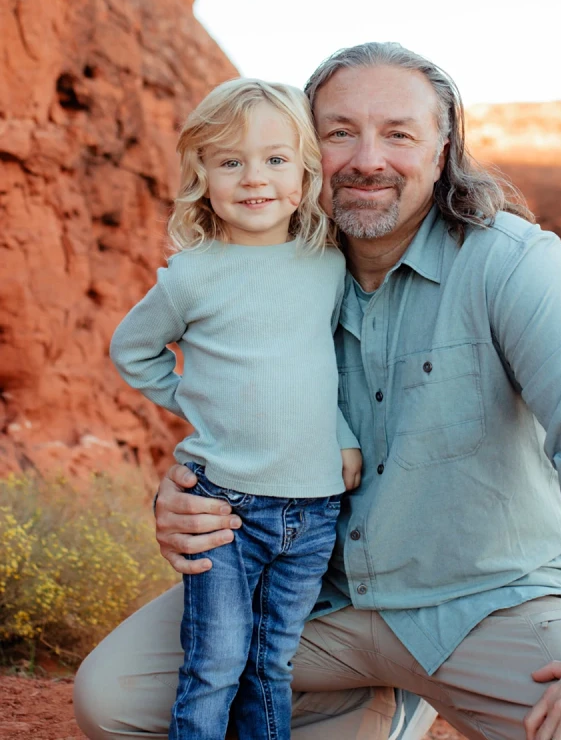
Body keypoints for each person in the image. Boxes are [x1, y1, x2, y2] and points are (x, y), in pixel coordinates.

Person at [74, 42, 561, 740]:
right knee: (113, 698)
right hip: (318, 601)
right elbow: (235, 402)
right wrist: (185, 494)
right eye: (340, 132)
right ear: (307, 151)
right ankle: (372, 708)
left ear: (443, 151)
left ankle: (409, 693)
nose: (367, 159)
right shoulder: (270, 270)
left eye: (399, 135)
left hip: (482, 607)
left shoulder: (511, 263)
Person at [108, 78, 362, 740]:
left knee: (271, 665)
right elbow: (133, 352)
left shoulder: (324, 262)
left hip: (313, 508)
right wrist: (202, 405)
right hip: (225, 509)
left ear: (305, 174)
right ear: (203, 175)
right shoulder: (191, 275)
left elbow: (318, 369)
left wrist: (340, 433)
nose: (256, 179)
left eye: (276, 160)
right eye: (231, 161)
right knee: (214, 665)